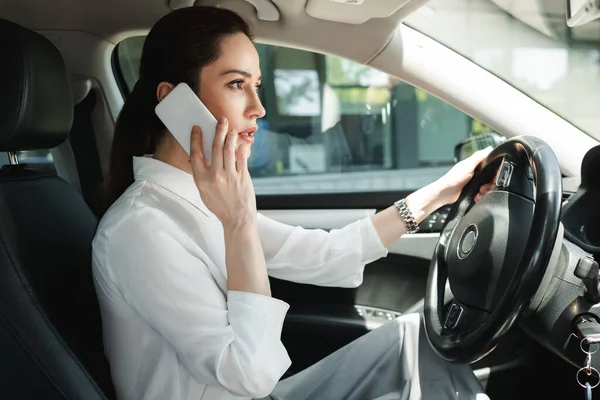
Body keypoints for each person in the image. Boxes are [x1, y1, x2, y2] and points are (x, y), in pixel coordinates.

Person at [92, 6, 494, 400]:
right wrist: (239, 224)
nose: (259, 108)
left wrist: (441, 191)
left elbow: (325, 254)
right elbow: (251, 375)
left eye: (257, 86)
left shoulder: (200, 200)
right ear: (173, 101)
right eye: (236, 84)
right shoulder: (141, 229)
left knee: (415, 340)